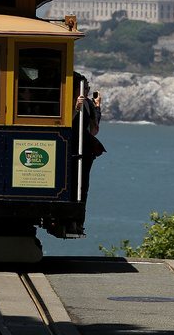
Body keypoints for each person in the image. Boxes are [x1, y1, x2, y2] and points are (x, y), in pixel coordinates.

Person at [69, 73, 106, 233]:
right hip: (71, 147)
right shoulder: (67, 102)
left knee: (83, 185)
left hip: (84, 149)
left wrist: (97, 107)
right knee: (71, 184)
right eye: (83, 88)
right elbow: (65, 123)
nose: (86, 91)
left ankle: (78, 221)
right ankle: (70, 220)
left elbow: (93, 128)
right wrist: (75, 108)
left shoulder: (88, 104)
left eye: (88, 88)